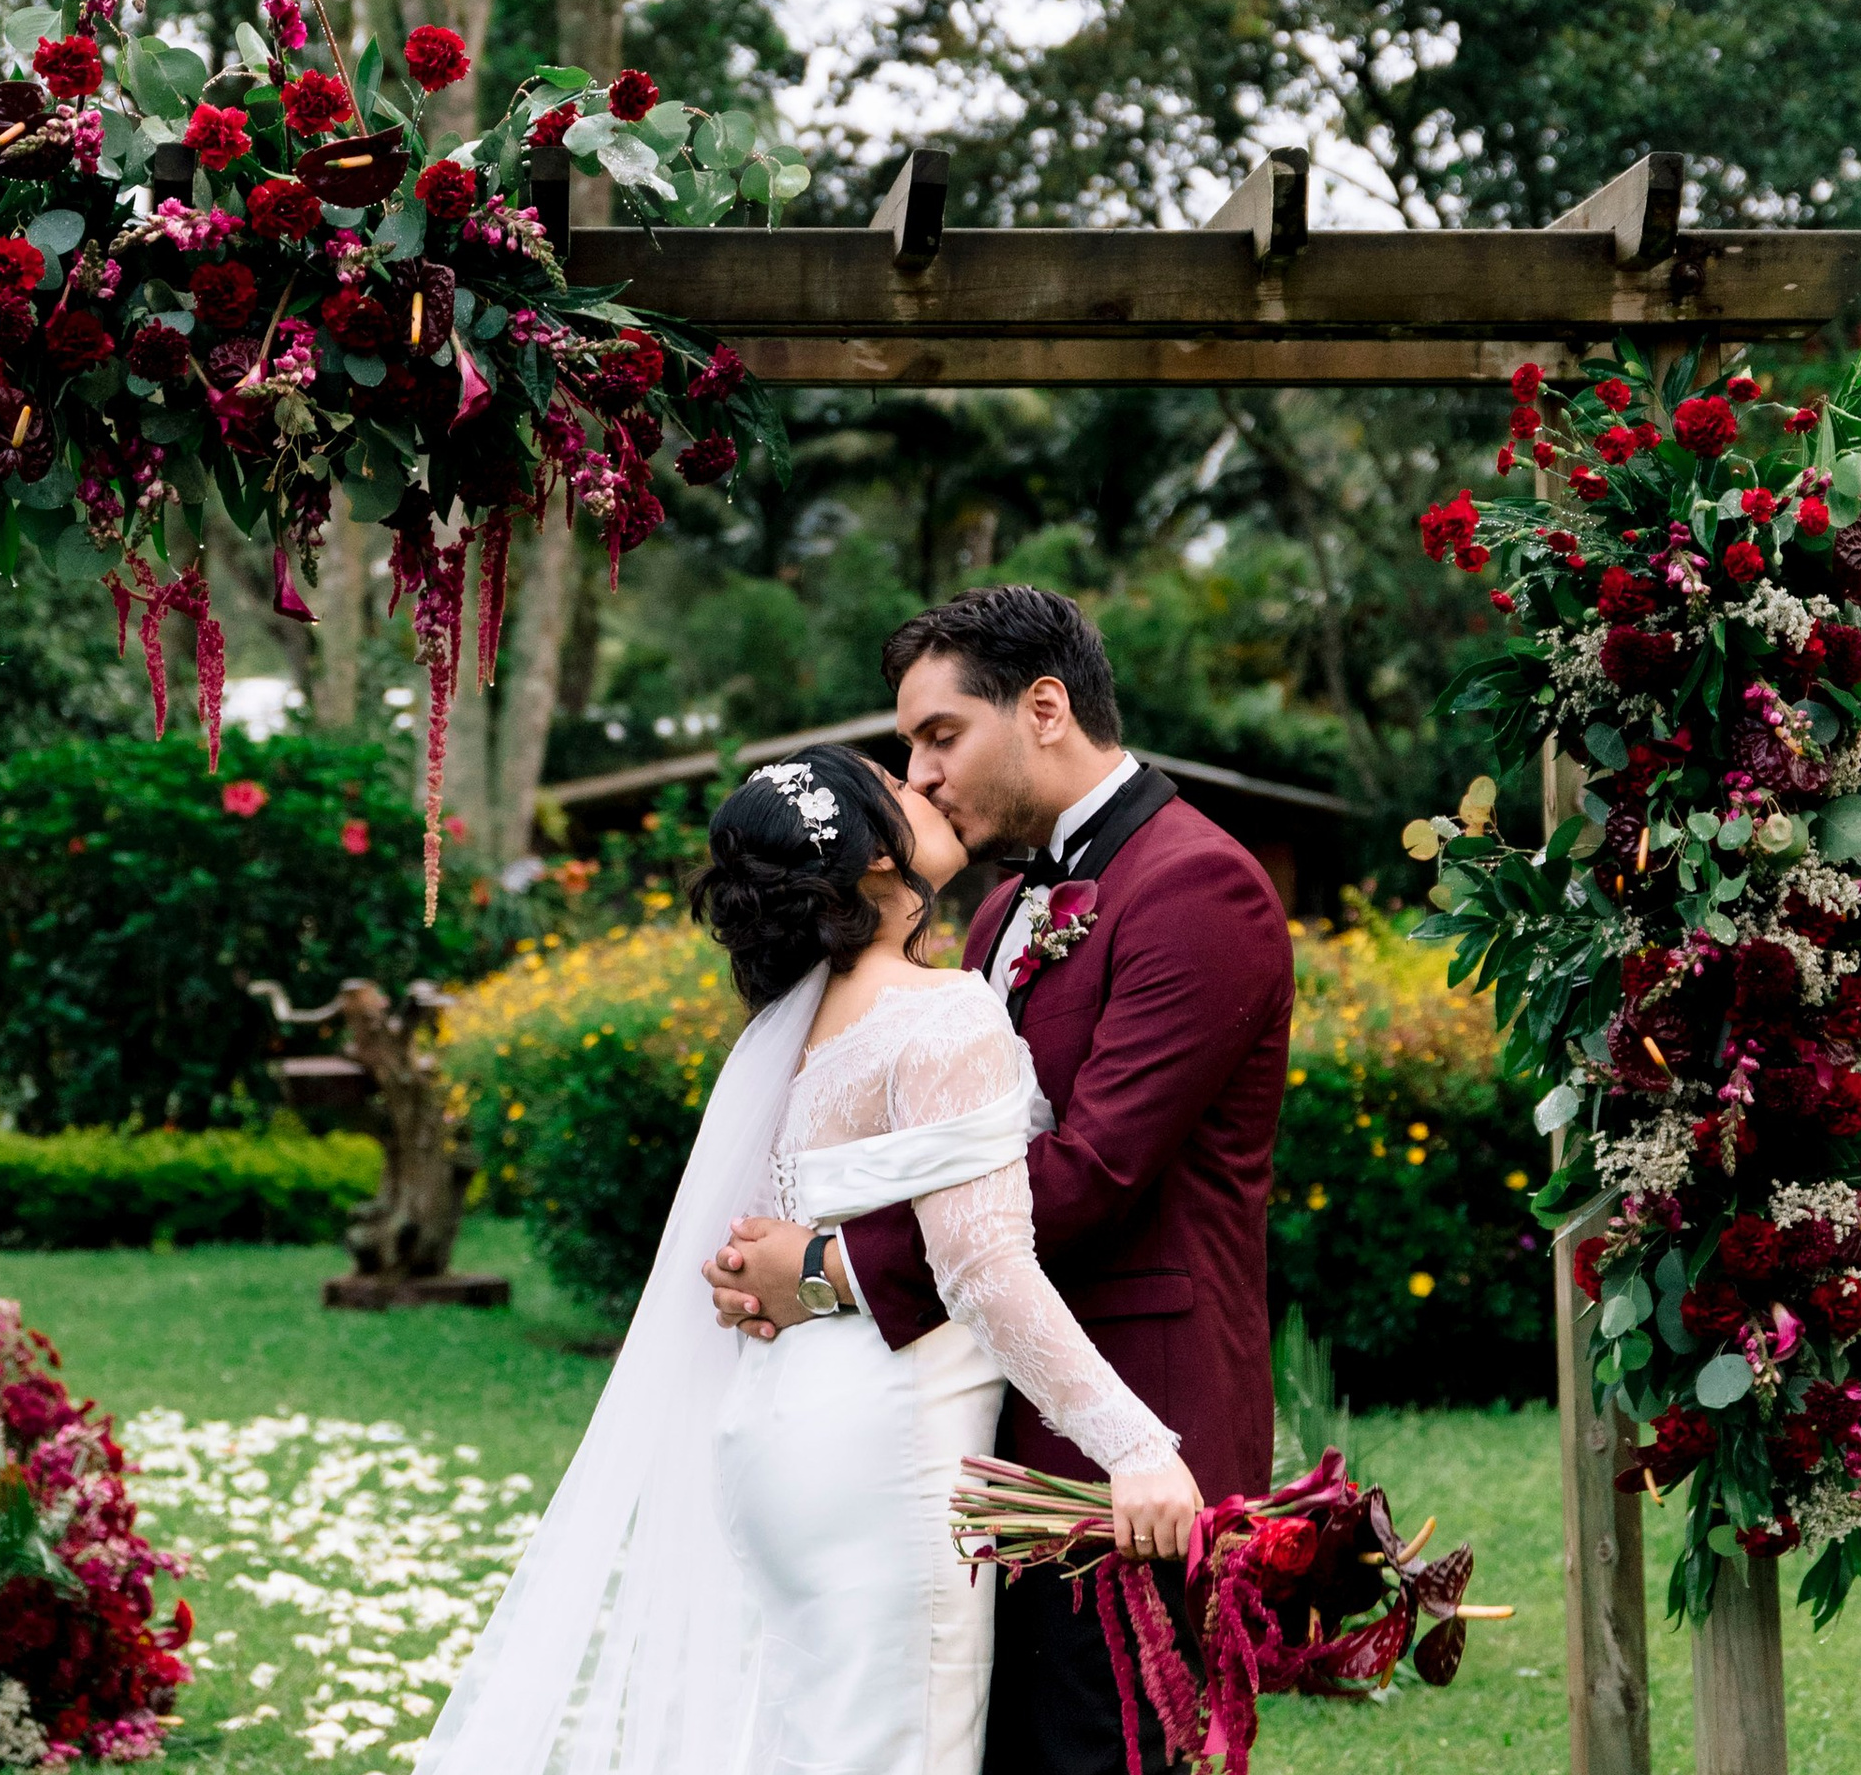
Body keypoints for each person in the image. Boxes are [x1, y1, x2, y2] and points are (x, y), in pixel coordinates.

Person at [414, 739, 1203, 1775]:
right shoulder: (938, 1012)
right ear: (875, 857)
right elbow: (984, 1269)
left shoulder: (801, 1029)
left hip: (780, 1427)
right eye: (897, 784)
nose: (923, 780)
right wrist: (1136, 1448)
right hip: (887, 1446)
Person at [705, 585, 1292, 1775]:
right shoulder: (993, 915)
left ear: (1043, 708)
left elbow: (1091, 1172)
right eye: (909, 745)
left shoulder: (1198, 886)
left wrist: (827, 1269)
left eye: (939, 735)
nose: (918, 776)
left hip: (1131, 1417)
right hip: (977, 1427)